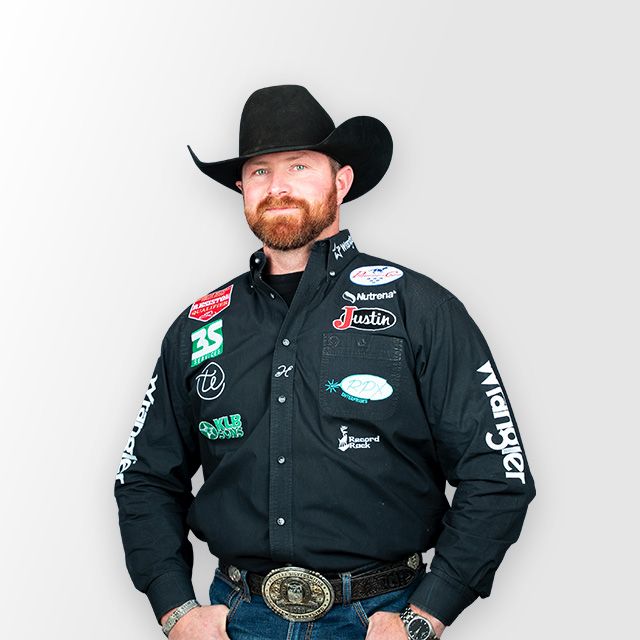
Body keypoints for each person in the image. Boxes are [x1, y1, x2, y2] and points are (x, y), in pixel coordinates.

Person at [115, 85, 535, 640]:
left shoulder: (422, 309)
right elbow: (144, 478)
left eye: (299, 166)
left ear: (341, 181)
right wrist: (174, 609)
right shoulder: (197, 327)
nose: (278, 186)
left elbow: (498, 472)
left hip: (379, 618)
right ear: (241, 188)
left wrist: (428, 613)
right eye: (260, 171)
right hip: (236, 620)